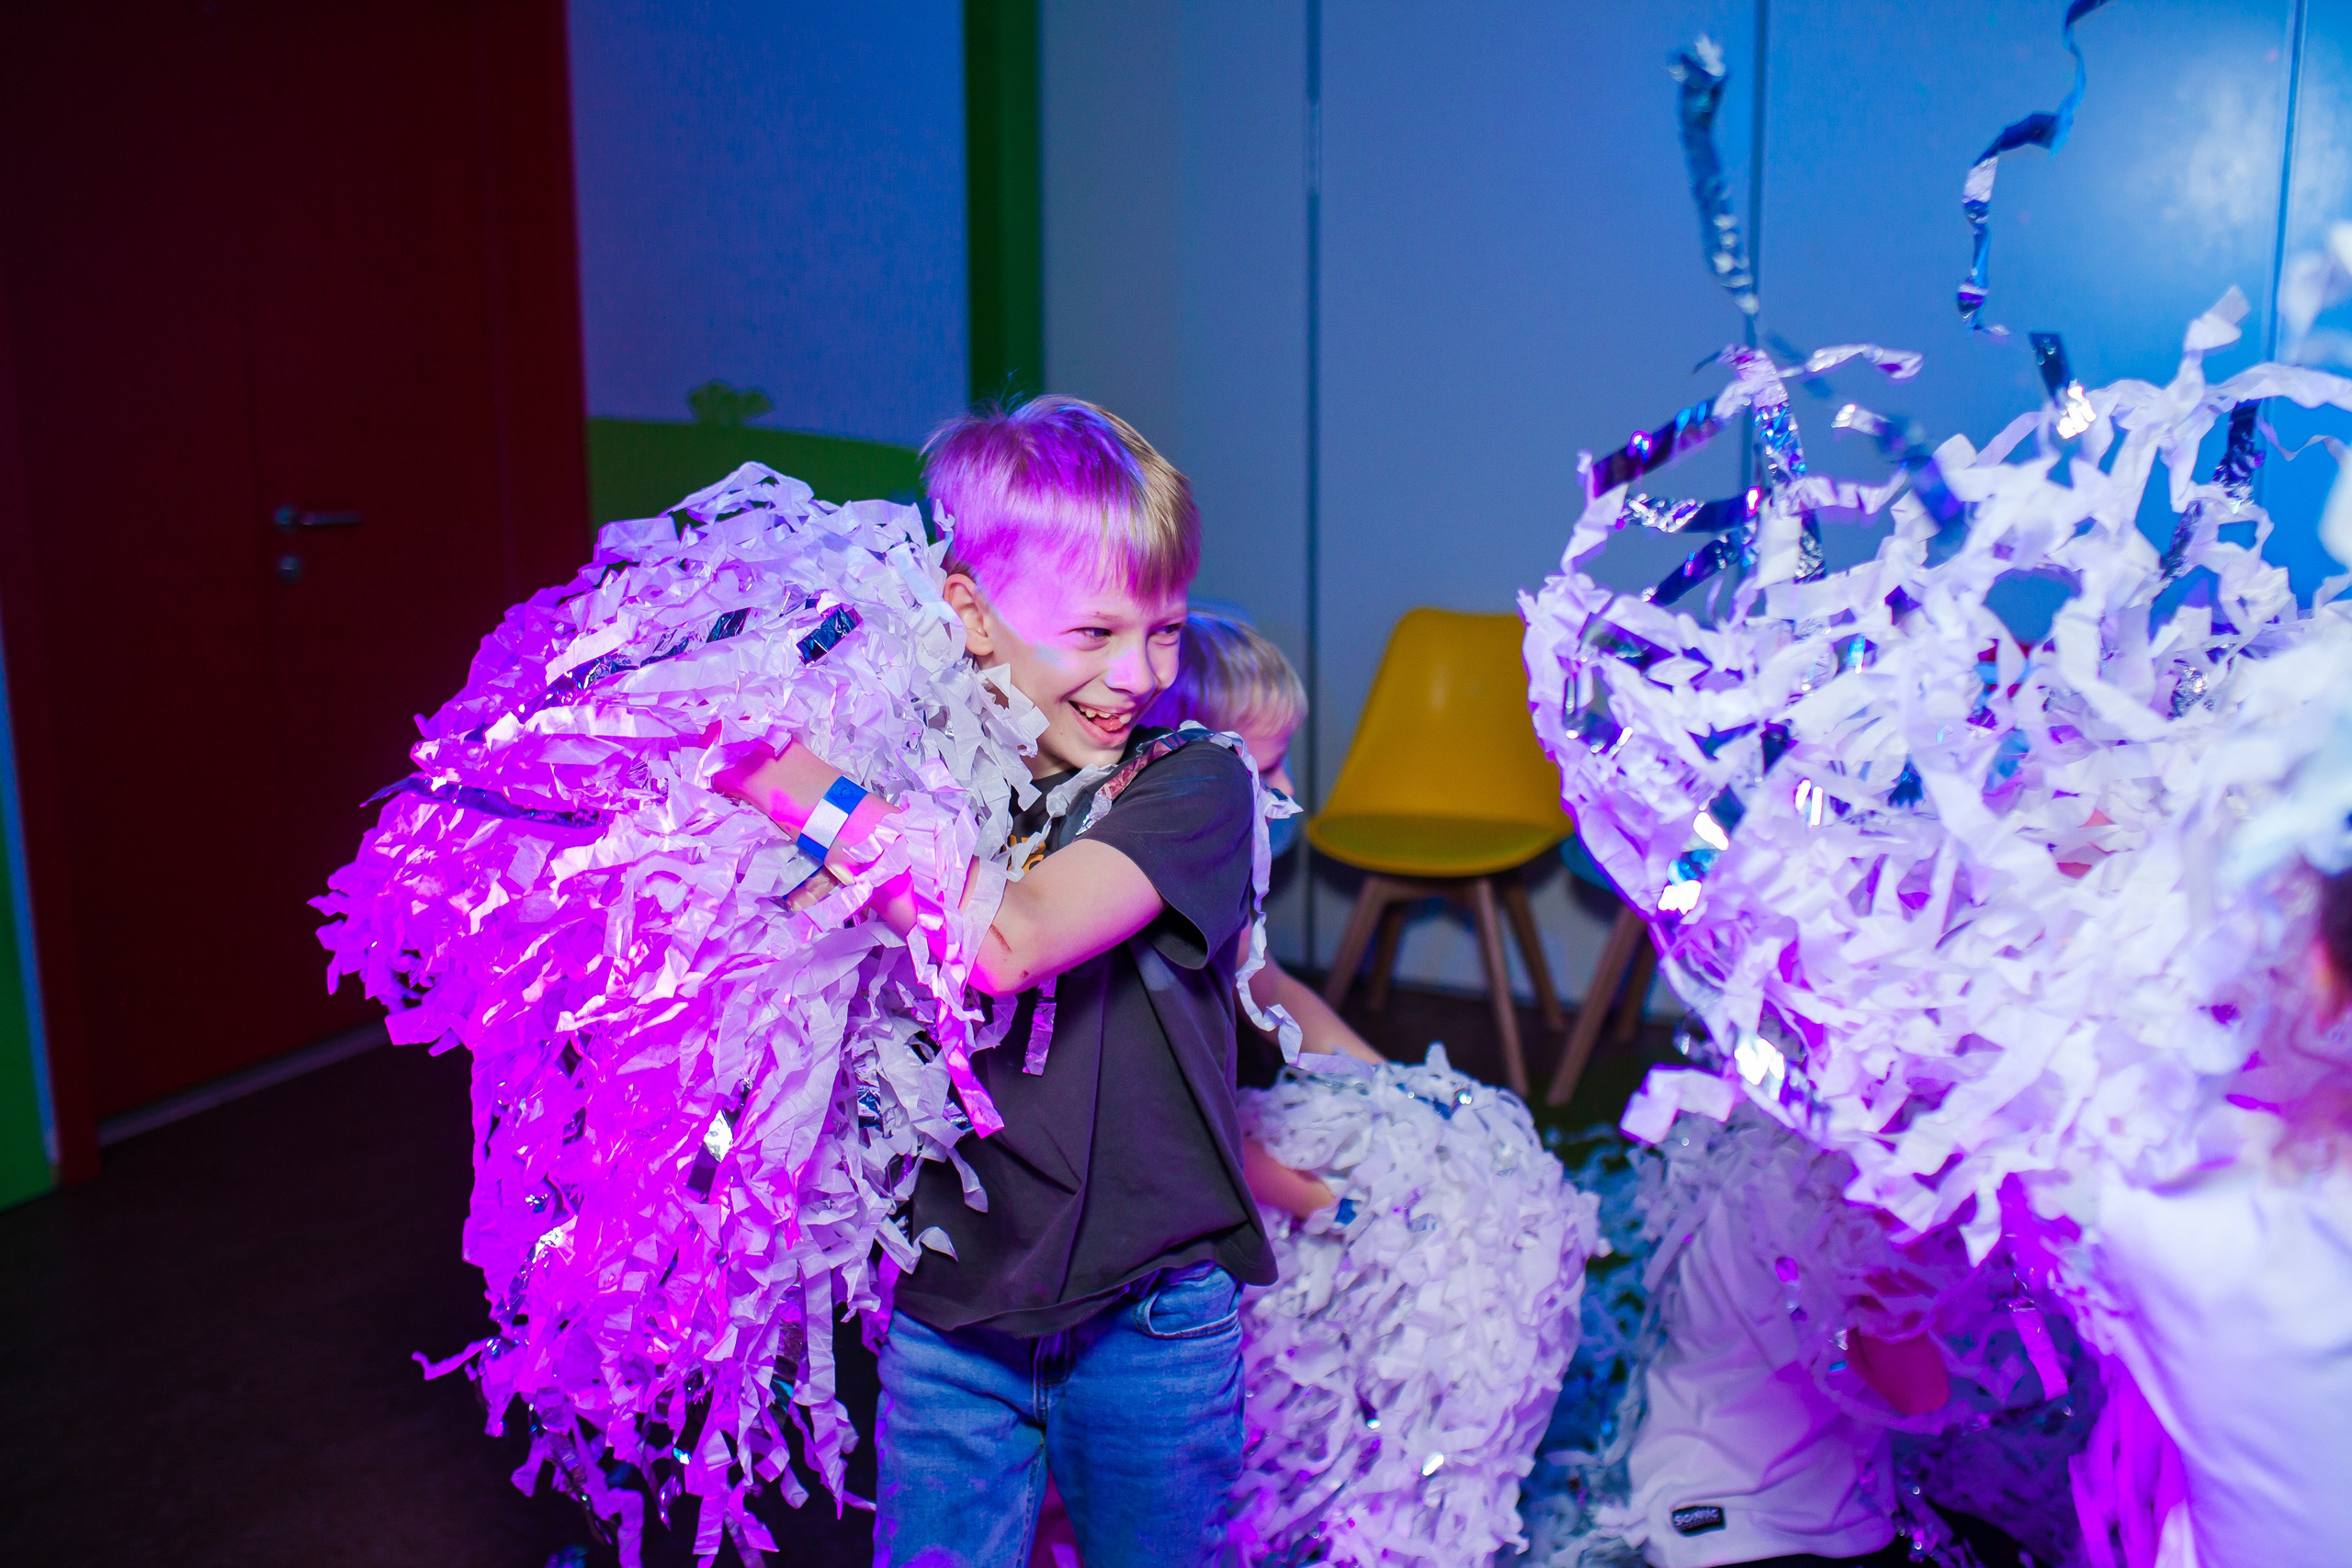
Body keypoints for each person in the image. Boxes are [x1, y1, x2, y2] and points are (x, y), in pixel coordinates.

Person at [718, 397, 1270, 1568]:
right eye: (1094, 635)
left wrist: (794, 789)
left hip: (1149, 1315)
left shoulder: (1191, 787)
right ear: (970, 612)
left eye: (1164, 631)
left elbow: (1005, 939)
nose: (1138, 675)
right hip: (949, 1308)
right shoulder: (911, 779)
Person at [1140, 610, 1385, 1220]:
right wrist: (1323, 1202)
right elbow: (1174, 1120)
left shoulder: (1221, 877)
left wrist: (1392, 1086)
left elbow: (1267, 984)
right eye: (1266, 767)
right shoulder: (1142, 914)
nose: (1290, 791)